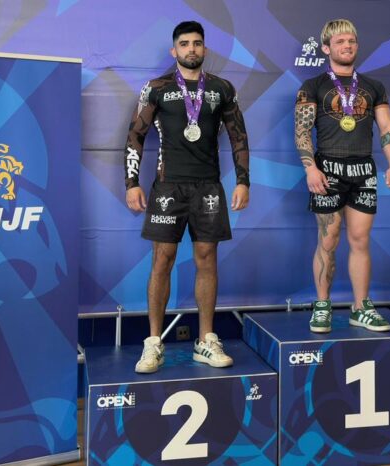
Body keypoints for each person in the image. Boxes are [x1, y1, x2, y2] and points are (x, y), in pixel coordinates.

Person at [124, 21, 250, 373]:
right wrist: (131, 182)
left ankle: (206, 340)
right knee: (162, 259)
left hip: (208, 187)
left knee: (207, 259)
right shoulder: (157, 88)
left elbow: (238, 136)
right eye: (184, 43)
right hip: (168, 187)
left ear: (204, 49)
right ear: (174, 50)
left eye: (196, 43)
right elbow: (135, 136)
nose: (191, 49)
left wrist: (243, 181)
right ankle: (153, 342)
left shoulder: (222, 88)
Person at [294, 19, 390, 333]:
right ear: (326, 48)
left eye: (351, 41)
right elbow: (302, 131)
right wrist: (310, 168)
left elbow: (387, 128)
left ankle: (361, 307)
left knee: (360, 240)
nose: (347, 46)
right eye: (340, 41)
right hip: (327, 169)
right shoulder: (313, 86)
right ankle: (322, 305)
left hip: (363, 170)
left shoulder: (373, 86)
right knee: (328, 239)